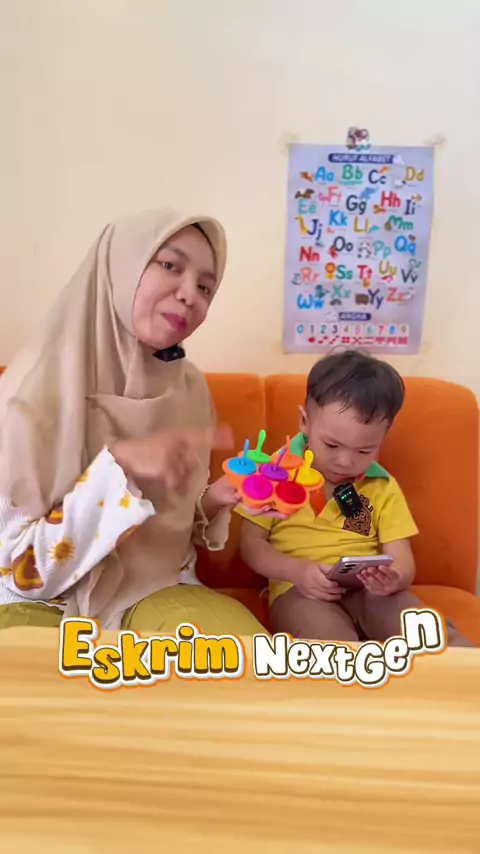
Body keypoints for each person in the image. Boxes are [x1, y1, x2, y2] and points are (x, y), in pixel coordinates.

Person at [0, 208, 265, 635]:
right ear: (120, 267)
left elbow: (172, 528)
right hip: (44, 599)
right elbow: (25, 572)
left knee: (245, 660)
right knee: (30, 672)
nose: (189, 295)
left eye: (205, 286)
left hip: (159, 586)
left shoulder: (189, 390)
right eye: (170, 265)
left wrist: (216, 498)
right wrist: (119, 466)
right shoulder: (28, 395)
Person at [237, 350, 473, 646]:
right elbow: (251, 546)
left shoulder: (382, 485)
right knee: (330, 644)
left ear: (382, 438)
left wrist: (394, 577)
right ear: (304, 421)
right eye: (331, 445)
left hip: (369, 591)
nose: (345, 462)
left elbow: (402, 558)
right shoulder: (272, 473)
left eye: (364, 450)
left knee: (427, 631)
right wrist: (296, 571)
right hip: (300, 590)